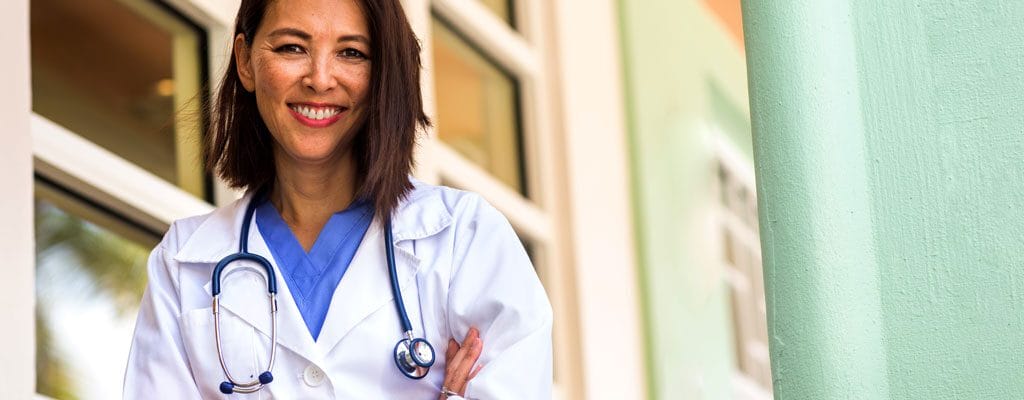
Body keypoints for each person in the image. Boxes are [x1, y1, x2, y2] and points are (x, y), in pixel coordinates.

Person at [122, 0, 553, 398]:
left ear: (382, 73)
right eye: (292, 47)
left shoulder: (463, 239)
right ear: (245, 61)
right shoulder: (182, 264)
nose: (320, 79)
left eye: (352, 53)